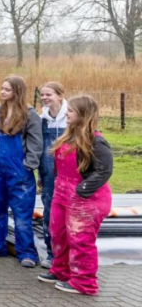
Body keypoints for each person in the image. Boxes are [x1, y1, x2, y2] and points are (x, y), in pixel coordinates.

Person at [38, 95, 113, 296]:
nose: (66, 113)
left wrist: (82, 190)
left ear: (82, 115)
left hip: (87, 200)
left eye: (70, 111)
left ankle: (84, 282)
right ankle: (61, 271)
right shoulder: (67, 136)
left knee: (80, 239)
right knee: (58, 234)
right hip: (61, 194)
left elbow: (104, 170)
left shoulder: (97, 141)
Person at [0, 76, 43, 267]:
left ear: (17, 92)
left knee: (22, 214)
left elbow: (36, 144)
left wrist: (28, 165)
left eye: (7, 89)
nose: (2, 92)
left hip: (19, 172)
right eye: (2, 89)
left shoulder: (30, 115)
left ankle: (27, 253)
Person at [37, 81, 67, 268]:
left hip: (68, 173)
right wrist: (41, 175)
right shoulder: (43, 119)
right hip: (48, 173)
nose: (45, 98)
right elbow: (40, 149)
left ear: (60, 96)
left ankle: (68, 254)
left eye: (49, 94)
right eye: (42, 94)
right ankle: (51, 253)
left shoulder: (71, 117)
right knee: (49, 212)